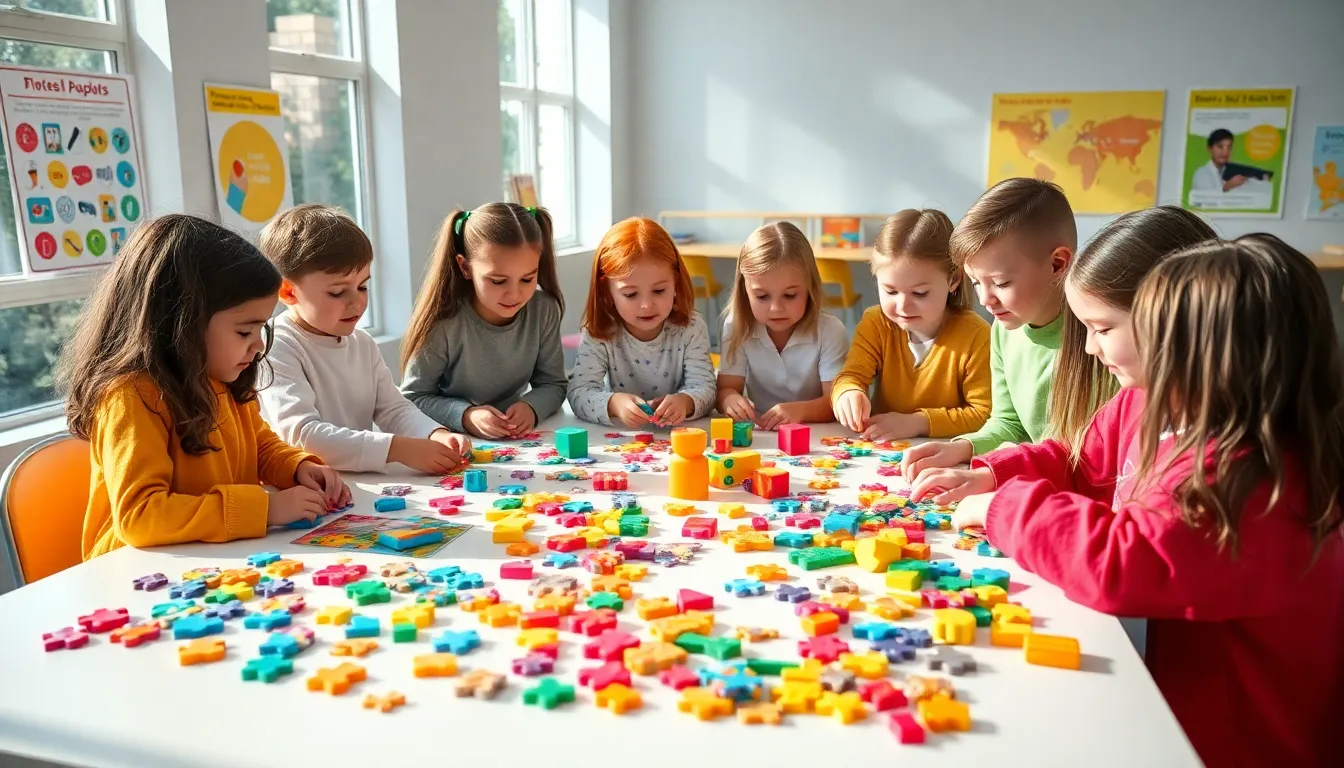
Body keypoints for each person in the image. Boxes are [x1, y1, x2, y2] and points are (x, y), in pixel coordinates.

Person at [936, 235, 1343, 766]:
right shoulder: (1160, 401)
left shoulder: (1254, 479)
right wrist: (994, 473)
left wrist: (1005, 508)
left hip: (1248, 739)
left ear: (1207, 356)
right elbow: (1084, 461)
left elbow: (1127, 561)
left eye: (1108, 330)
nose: (1086, 349)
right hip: (1179, 700)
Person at [59, 214, 349, 559]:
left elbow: (257, 445)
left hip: (215, 563)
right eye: (244, 331)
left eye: (261, 329)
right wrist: (266, 509)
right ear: (181, 324)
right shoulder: (130, 395)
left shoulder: (222, 375)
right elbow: (141, 516)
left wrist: (297, 466)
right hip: (138, 573)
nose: (258, 345)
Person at [257, 204, 471, 473]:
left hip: (359, 487)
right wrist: (396, 449)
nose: (357, 302)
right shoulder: (276, 345)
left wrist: (433, 434)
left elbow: (392, 409)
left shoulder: (362, 343)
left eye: (362, 286)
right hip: (306, 490)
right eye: (337, 292)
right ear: (288, 292)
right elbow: (302, 435)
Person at [901, 178, 1076, 477]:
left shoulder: (1099, 338)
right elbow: (1009, 423)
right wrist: (964, 446)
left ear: (1058, 265)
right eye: (975, 283)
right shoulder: (1003, 328)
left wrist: (994, 472)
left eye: (1001, 283)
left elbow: (1081, 453)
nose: (984, 299)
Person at [400, 203, 567, 440]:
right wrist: (465, 416)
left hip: (512, 442)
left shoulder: (544, 309)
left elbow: (554, 384)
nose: (515, 294)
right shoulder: (443, 322)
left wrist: (531, 407)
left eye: (527, 279)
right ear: (465, 268)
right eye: (498, 281)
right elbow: (412, 399)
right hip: (453, 439)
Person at [831, 209, 990, 441]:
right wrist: (848, 393)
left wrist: (918, 423)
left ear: (953, 280)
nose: (903, 306)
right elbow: (850, 377)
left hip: (944, 454)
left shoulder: (976, 335)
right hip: (880, 454)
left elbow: (983, 413)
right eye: (890, 291)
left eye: (919, 293)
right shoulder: (876, 323)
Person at [567, 217, 716, 428]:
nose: (647, 305)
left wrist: (685, 402)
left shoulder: (690, 327)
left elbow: (706, 389)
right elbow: (579, 393)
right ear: (607, 293)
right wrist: (614, 404)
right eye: (630, 294)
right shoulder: (600, 331)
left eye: (659, 291)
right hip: (623, 442)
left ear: (676, 281)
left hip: (680, 437)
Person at [715, 221, 848, 430]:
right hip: (761, 435)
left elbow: (834, 402)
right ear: (745, 292)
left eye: (790, 295)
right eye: (762, 296)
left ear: (810, 288)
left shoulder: (830, 330)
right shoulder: (738, 325)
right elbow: (726, 388)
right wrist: (729, 400)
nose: (776, 308)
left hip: (817, 434)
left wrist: (798, 411)